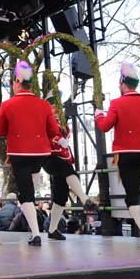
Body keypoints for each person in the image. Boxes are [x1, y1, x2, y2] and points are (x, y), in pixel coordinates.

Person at [0, 61, 62, 246]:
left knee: (25, 194)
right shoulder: (43, 105)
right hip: (40, 153)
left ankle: (35, 233)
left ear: (17, 81)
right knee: (30, 189)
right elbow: (54, 131)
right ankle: (34, 227)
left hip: (19, 153)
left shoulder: (7, 105)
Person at [95, 62, 140, 248]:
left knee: (132, 197)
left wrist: (98, 115)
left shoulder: (117, 103)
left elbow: (105, 126)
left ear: (123, 84)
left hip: (126, 154)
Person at [42, 90, 97, 241]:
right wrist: (57, 140)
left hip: (61, 156)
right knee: (68, 170)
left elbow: (63, 134)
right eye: (52, 106)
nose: (54, 109)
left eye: (55, 106)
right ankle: (84, 198)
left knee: (61, 194)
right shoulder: (43, 118)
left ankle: (52, 229)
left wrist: (62, 137)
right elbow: (44, 134)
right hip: (48, 156)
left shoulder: (61, 120)